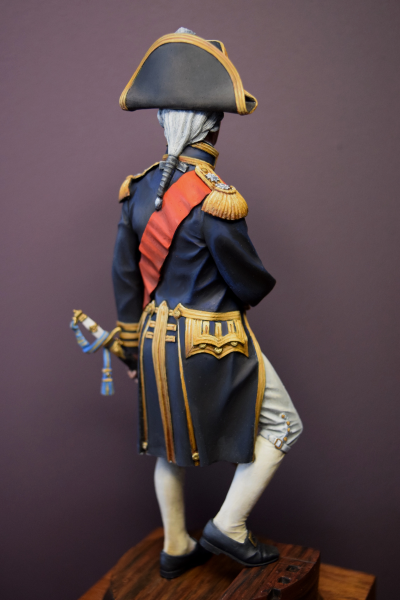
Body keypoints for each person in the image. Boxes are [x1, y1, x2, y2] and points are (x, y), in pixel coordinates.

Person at [112, 28, 303, 579]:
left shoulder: (137, 189)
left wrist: (130, 345)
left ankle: (177, 546)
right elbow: (250, 282)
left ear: (164, 119)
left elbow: (124, 275)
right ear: (209, 124)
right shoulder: (217, 198)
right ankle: (229, 526)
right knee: (284, 425)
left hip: (154, 338)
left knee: (168, 450)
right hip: (210, 340)